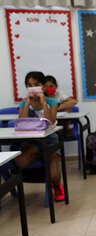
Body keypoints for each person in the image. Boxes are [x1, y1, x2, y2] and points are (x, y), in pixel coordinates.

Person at [16, 71, 64, 201]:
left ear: (43, 86)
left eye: (36, 84)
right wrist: (27, 103)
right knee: (21, 161)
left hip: (50, 141)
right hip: (33, 142)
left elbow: (50, 122)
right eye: (29, 85)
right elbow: (22, 121)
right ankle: (41, 158)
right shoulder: (23, 103)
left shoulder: (52, 101)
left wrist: (43, 102)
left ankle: (57, 185)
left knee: (54, 175)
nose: (33, 88)